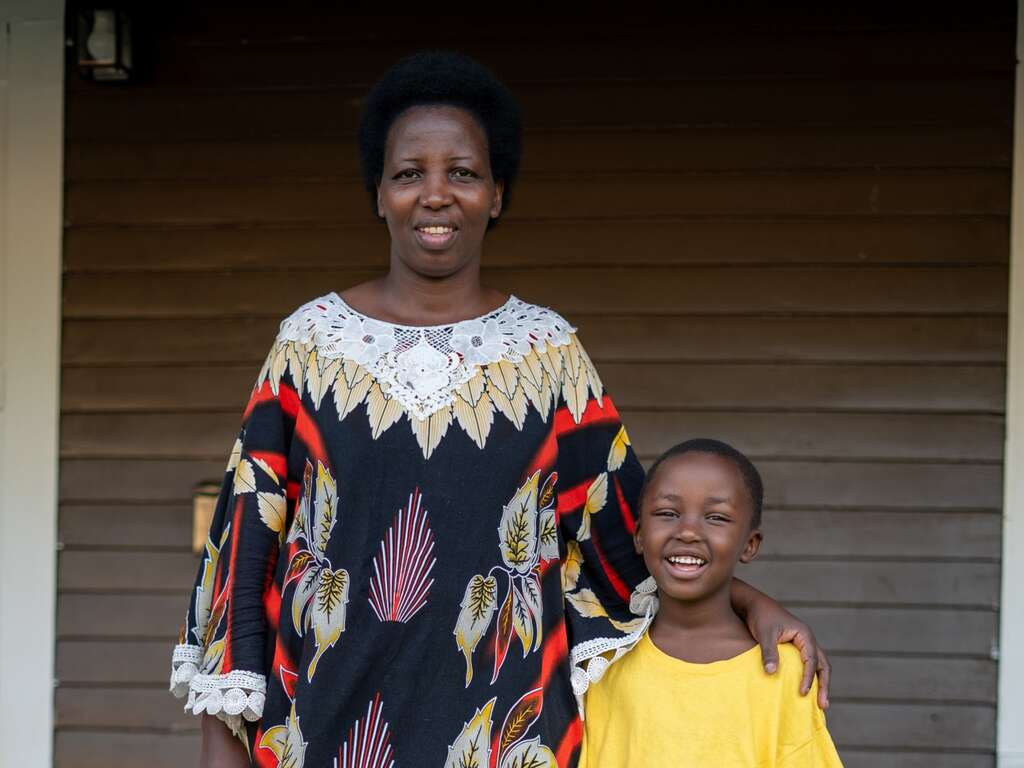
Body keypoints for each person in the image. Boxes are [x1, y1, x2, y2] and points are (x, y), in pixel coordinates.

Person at [169, 52, 831, 768]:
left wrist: (748, 602)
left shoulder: (547, 358)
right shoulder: (309, 347)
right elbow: (240, 552)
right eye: (408, 173)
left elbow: (627, 538)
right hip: (318, 735)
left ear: (497, 194)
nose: (435, 194)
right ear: (378, 194)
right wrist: (220, 742)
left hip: (503, 743)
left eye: (463, 172)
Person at [580, 438, 843, 766]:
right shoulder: (600, 662)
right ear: (639, 535)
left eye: (716, 517)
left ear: (750, 545)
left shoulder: (783, 669)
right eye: (667, 512)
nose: (688, 531)